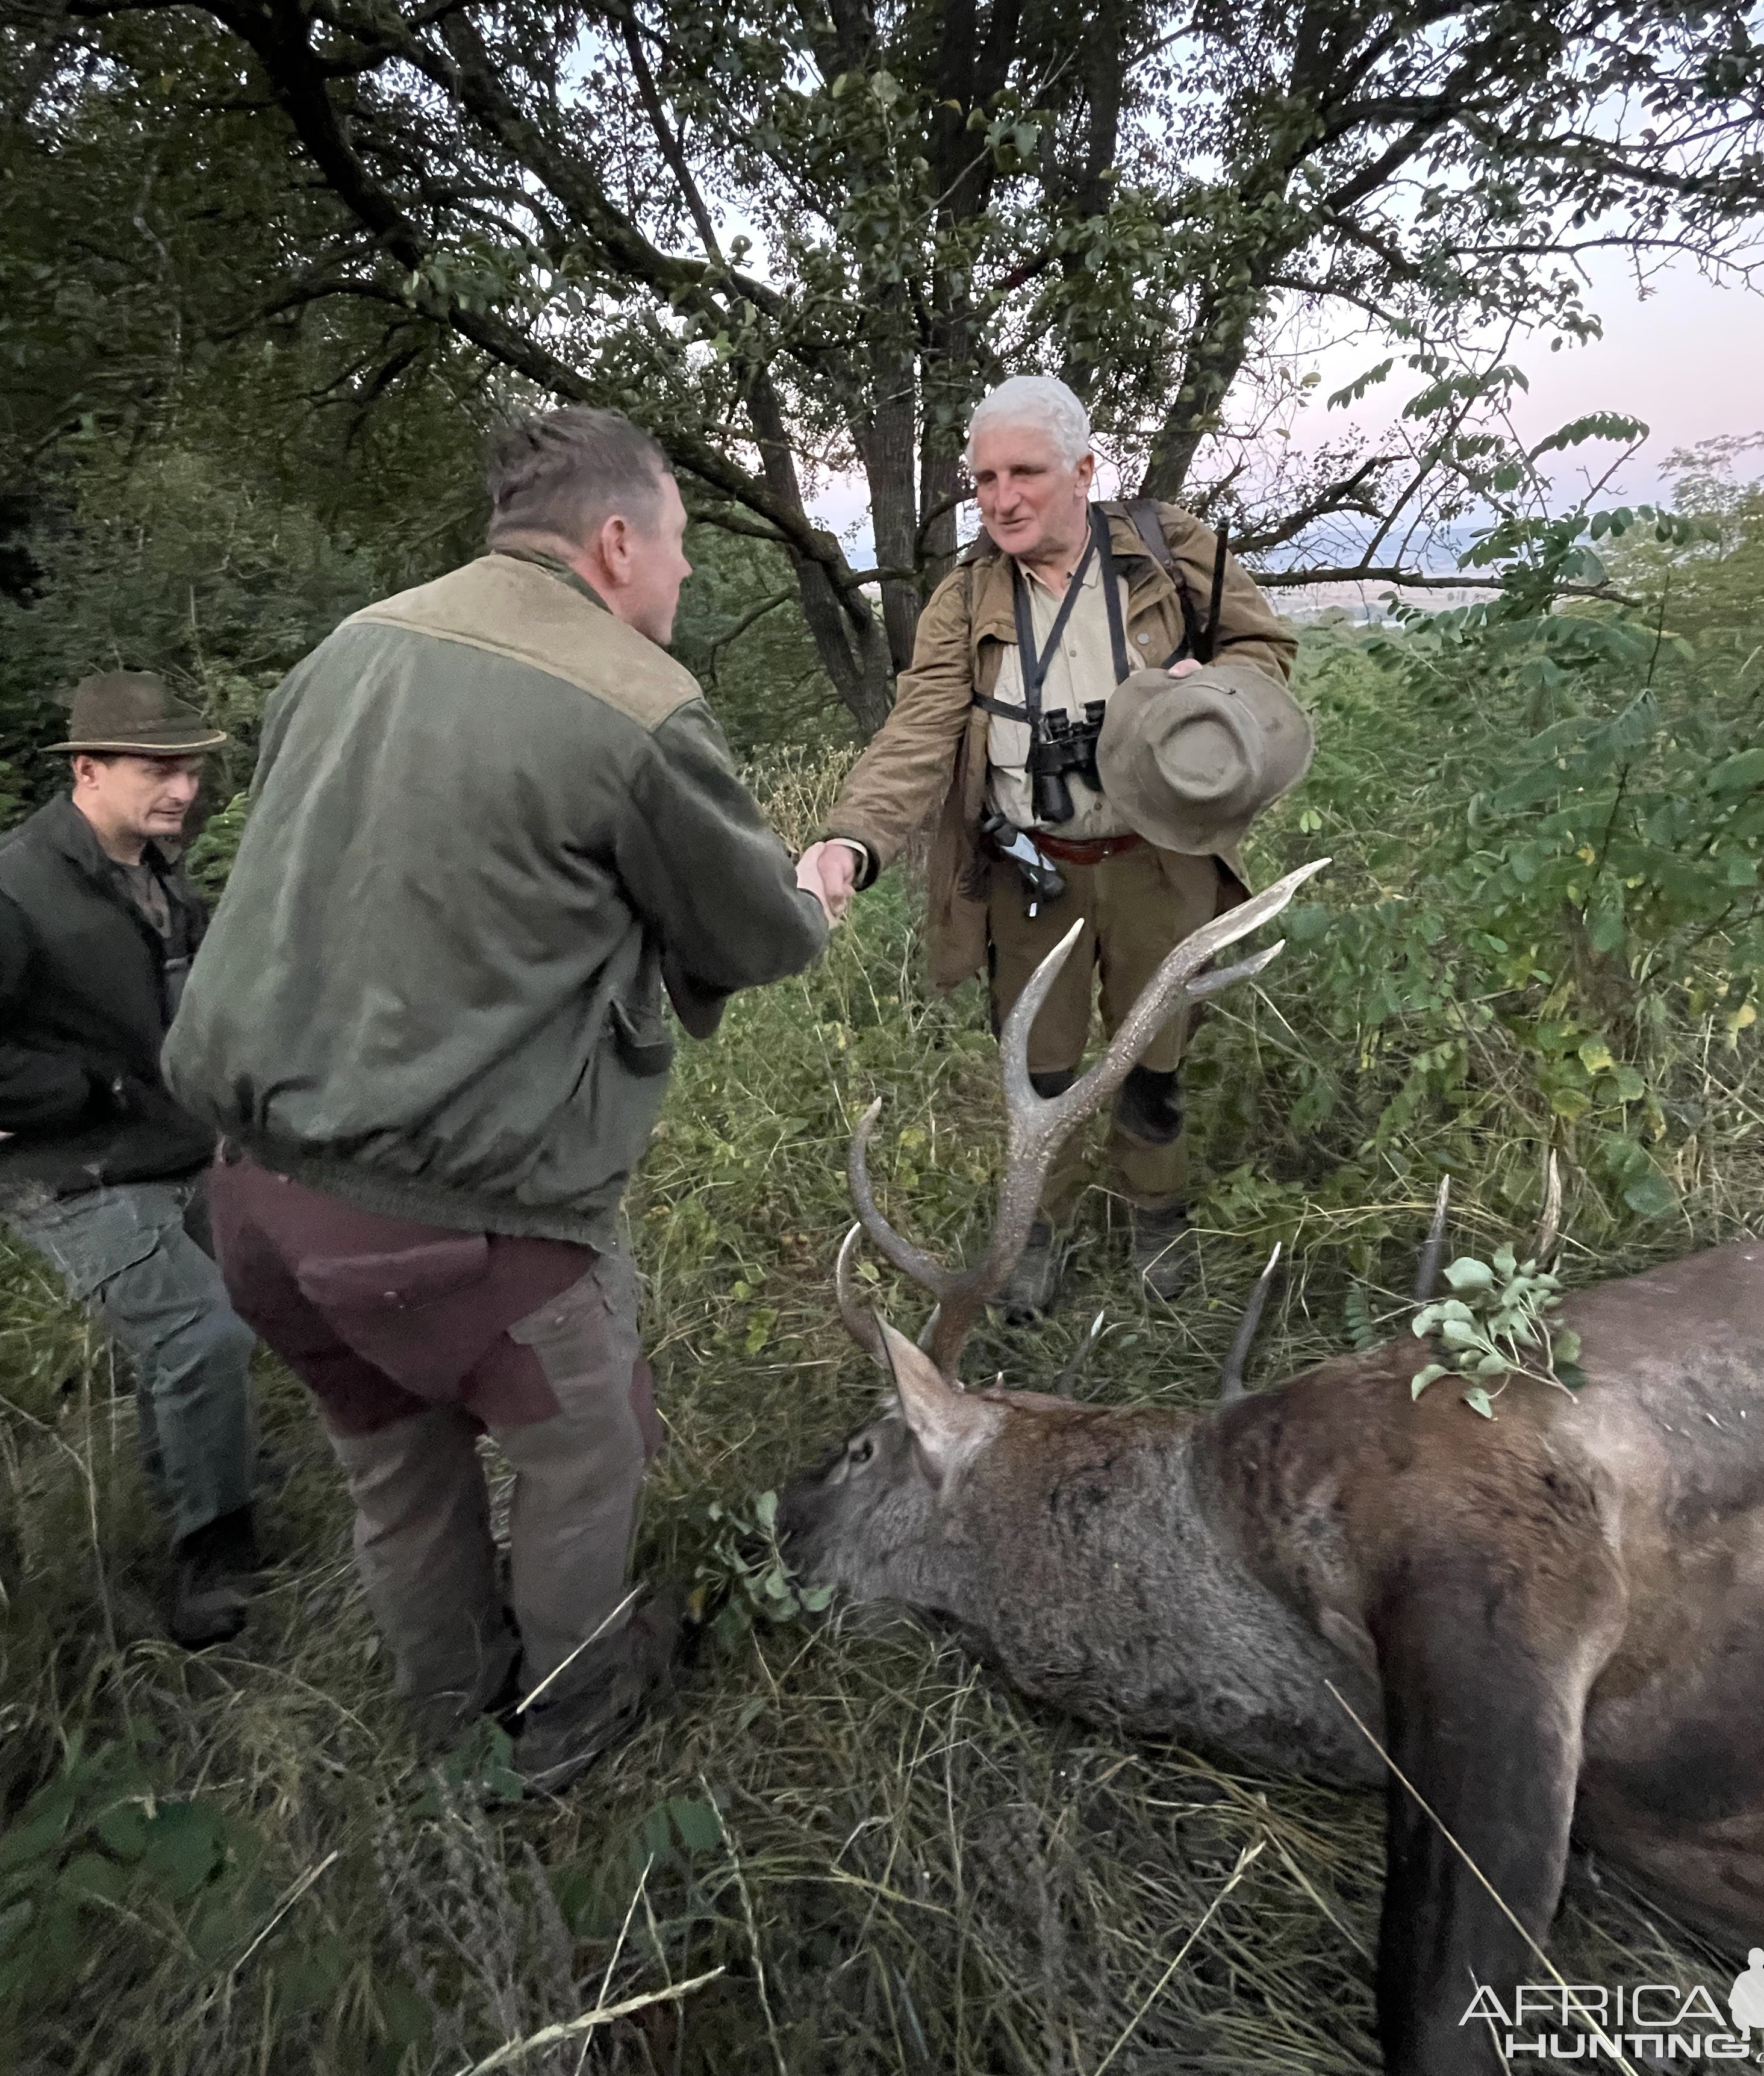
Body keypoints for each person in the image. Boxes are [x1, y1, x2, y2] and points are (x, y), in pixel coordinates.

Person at [164, 406, 831, 1792]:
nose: (689, 576)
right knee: (584, 1456)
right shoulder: (635, 700)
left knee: (398, 1473)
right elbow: (755, 935)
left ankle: (449, 1732)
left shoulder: (356, 643)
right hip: (462, 1227)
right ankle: (571, 1740)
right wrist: (816, 888)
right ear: (613, 542)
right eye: (682, 545)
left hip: (254, 1203)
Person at [800, 375, 1303, 1315]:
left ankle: (1158, 1215)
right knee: (1040, 1065)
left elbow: (1265, 651)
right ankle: (1038, 1232)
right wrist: (849, 843)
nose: (1002, 499)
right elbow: (918, 732)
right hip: (1034, 874)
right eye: (985, 479)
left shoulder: (1169, 551)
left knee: (1158, 1054)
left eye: (1024, 472)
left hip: (1163, 860)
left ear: (1083, 470)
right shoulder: (968, 597)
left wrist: (1215, 689)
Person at [0, 673, 260, 1645]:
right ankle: (212, 1562)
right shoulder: (17, 885)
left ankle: (199, 1487)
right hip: (70, 1173)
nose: (183, 790)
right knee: (203, 1337)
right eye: (159, 769)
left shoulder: (157, 869)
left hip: (178, 1145)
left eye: (191, 770)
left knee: (214, 1334)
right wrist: (83, 1091)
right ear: (87, 769)